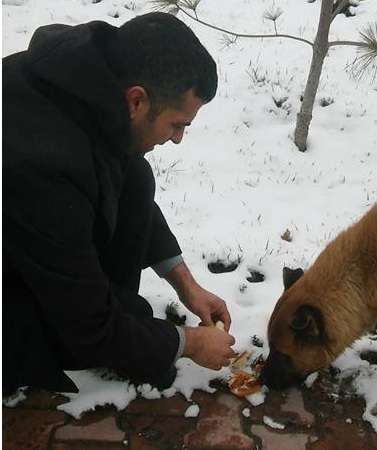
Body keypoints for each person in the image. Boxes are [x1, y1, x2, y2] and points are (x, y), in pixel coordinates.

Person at [3, 12, 236, 394]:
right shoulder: (43, 166)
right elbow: (89, 328)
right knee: (113, 328)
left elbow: (125, 177)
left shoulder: (87, 79)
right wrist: (187, 343)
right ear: (138, 101)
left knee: (136, 174)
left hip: (32, 236)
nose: (177, 138)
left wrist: (185, 284)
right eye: (177, 124)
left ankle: (114, 312)